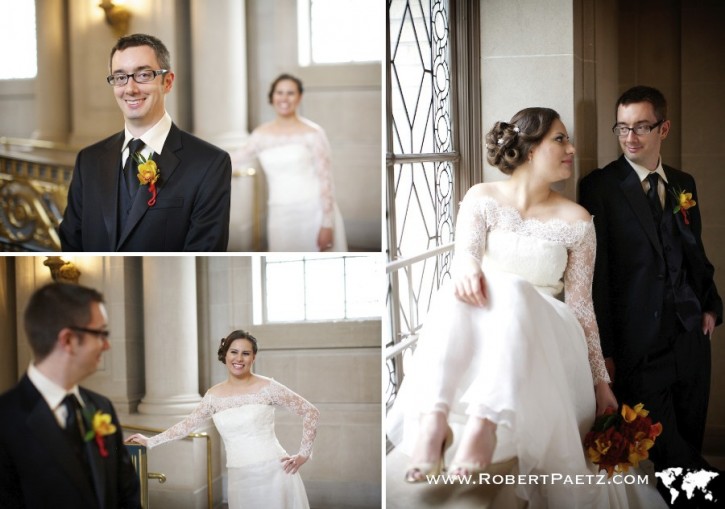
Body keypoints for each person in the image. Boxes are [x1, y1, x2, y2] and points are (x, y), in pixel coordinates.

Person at [386, 108, 667, 508]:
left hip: (550, 330)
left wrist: (601, 382)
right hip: (484, 322)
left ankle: (485, 424)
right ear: (531, 149)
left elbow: (582, 306)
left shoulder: (577, 220)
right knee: (457, 291)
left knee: (514, 288)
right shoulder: (482, 198)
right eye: (560, 140)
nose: (572, 149)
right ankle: (435, 421)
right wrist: (467, 266)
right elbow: (464, 256)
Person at [579, 87, 722, 480]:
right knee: (671, 455)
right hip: (639, 348)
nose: (631, 138)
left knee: (688, 442)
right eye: (622, 128)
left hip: (691, 337)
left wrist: (711, 306)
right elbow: (597, 279)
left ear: (665, 128)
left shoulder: (682, 182)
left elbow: (695, 254)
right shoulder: (599, 188)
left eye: (642, 126)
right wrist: (604, 354)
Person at [59, 33, 231, 251]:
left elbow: (206, 249)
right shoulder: (88, 160)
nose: (130, 88)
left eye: (143, 75)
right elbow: (72, 240)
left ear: (167, 82)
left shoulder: (209, 163)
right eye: (120, 77)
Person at [126, 330, 320, 508]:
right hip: (239, 478)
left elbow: (310, 412)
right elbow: (186, 425)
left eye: (245, 353)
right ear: (225, 355)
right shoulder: (213, 396)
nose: (239, 358)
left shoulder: (268, 387)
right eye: (233, 352)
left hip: (275, 473)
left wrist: (303, 454)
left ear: (254, 357)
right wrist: (150, 441)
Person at [0, 282, 141, 508]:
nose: (106, 345)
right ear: (67, 340)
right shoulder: (5, 420)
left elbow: (127, 494)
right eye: (100, 333)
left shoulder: (101, 406)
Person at [231, 73, 347, 251]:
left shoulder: (313, 133)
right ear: (272, 97)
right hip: (280, 212)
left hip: (313, 210)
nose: (284, 98)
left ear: (299, 97)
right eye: (280, 92)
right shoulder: (260, 135)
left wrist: (327, 223)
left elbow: (326, 180)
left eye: (290, 93)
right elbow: (233, 161)